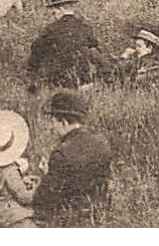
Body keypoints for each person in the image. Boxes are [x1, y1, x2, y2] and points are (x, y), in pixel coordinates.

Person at [31, 90, 112, 226]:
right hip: (98, 213)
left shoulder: (61, 153)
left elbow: (45, 198)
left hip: (69, 219)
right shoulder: (101, 142)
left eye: (53, 122)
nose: (52, 127)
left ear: (63, 122)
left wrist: (46, 175)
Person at [0, 110, 39, 227]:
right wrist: (37, 188)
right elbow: (24, 197)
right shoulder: (10, 170)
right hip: (12, 219)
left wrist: (22, 180)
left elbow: (2, 186)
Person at [27, 0, 103, 89]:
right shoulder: (85, 27)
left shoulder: (51, 29)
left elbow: (36, 50)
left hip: (57, 79)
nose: (54, 16)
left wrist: (33, 71)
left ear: (60, 9)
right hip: (82, 78)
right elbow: (96, 50)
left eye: (54, 13)